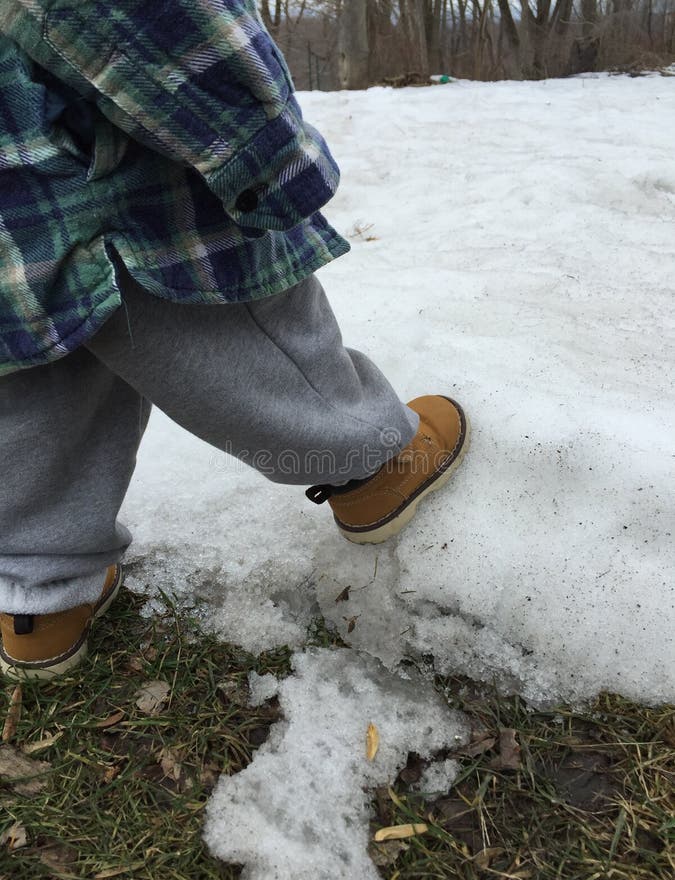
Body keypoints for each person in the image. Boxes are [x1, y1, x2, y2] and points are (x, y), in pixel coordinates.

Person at [0, 1, 469, 680]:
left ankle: (35, 602)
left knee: (37, 369)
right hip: (112, 167)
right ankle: (370, 465)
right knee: (229, 319)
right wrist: (266, 152)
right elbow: (146, 19)